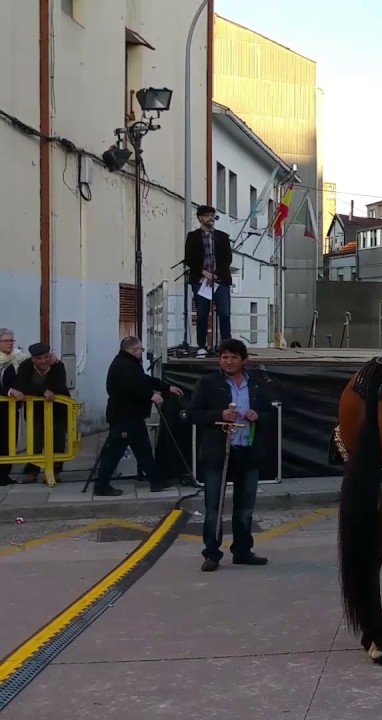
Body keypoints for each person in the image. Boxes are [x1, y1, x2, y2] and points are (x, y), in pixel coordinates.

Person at [187, 339, 274, 571]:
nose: (228, 361)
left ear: (244, 360)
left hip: (248, 450)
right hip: (219, 453)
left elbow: (271, 413)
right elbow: (192, 414)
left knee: (245, 507)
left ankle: (243, 551)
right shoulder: (208, 383)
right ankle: (212, 553)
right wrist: (219, 414)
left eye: (233, 357)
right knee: (214, 507)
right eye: (224, 357)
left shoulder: (257, 383)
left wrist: (259, 416)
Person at [94, 337, 182, 496]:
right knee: (114, 452)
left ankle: (156, 481)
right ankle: (101, 485)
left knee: (144, 450)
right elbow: (131, 387)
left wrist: (166, 387)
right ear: (133, 350)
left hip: (133, 416)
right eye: (140, 349)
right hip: (123, 417)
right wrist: (151, 395)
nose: (142, 351)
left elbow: (143, 380)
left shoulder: (129, 363)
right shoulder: (123, 365)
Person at [10, 343, 72, 484]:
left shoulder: (58, 365)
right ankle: (32, 471)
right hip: (35, 409)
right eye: (40, 358)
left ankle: (55, 470)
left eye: (46, 357)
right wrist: (43, 391)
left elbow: (60, 384)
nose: (44, 361)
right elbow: (23, 386)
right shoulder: (25, 367)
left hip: (57, 409)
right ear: (33, 359)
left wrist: (50, 390)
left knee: (58, 438)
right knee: (35, 439)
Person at [183, 205, 233, 356]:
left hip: (220, 280)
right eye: (207, 215)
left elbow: (227, 258)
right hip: (200, 280)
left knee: (224, 312)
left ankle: (226, 344)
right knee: (202, 313)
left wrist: (216, 274)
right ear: (200, 218)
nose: (211, 218)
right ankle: (201, 346)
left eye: (212, 215)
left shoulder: (222, 236)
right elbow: (189, 259)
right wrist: (204, 272)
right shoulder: (193, 237)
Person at [0, 328, 28, 486]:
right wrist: (10, 391)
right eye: (6, 340)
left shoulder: (18, 357)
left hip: (12, 408)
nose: (10, 343)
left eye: (12, 340)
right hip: (2, 405)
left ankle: (5, 474)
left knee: (10, 440)